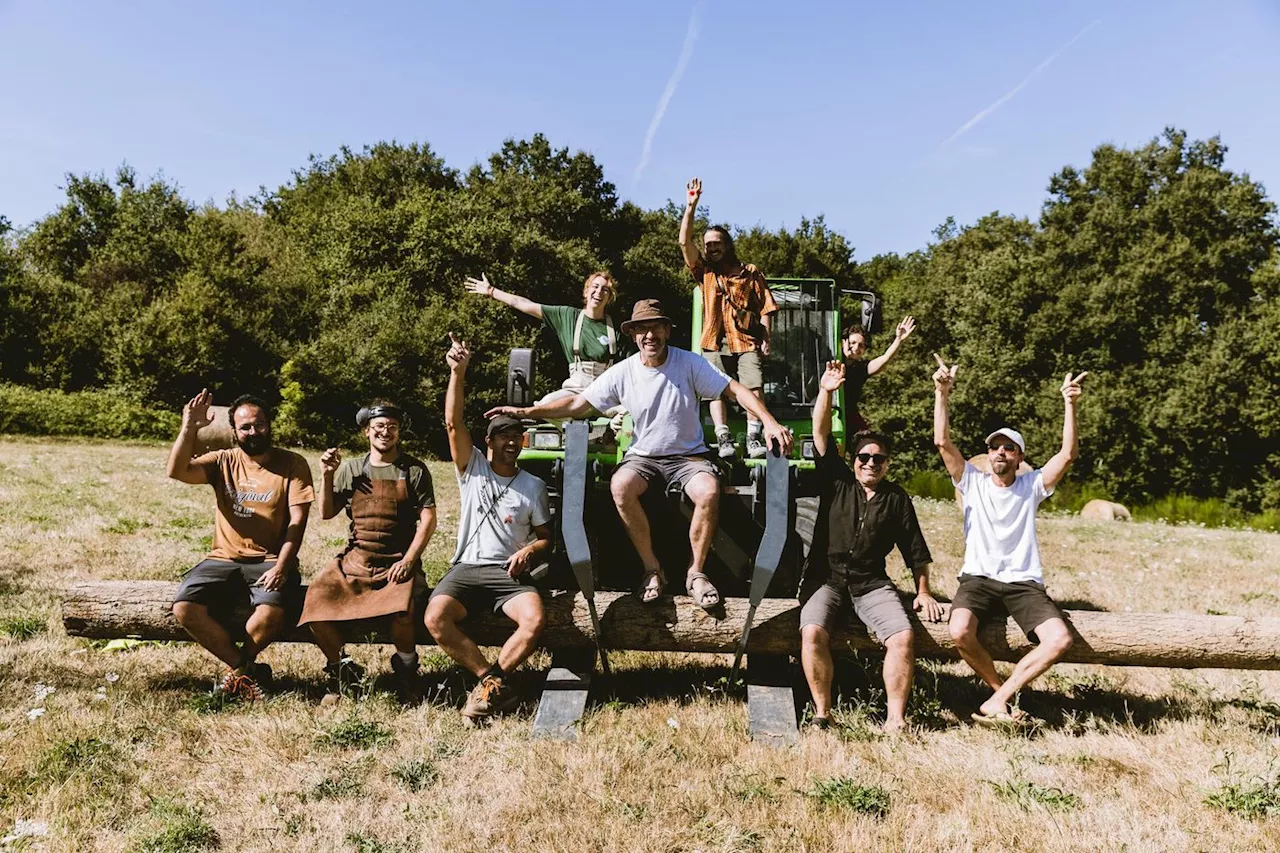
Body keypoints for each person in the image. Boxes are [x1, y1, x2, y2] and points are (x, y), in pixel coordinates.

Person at [486, 299, 793, 610]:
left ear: (667, 331)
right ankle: (651, 569)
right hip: (644, 457)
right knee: (620, 485)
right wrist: (528, 410)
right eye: (642, 329)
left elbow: (735, 389)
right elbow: (578, 405)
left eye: (656, 327)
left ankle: (696, 573)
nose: (650, 336)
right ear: (633, 335)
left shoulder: (690, 363)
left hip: (688, 457)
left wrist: (768, 422)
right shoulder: (624, 372)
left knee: (709, 489)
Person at [933, 354, 1088, 724]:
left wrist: (1069, 404)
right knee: (959, 631)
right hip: (978, 580)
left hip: (1022, 584)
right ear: (988, 454)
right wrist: (942, 393)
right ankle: (999, 693)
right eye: (995, 447)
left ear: (1019, 458)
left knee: (1060, 640)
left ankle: (998, 698)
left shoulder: (1032, 486)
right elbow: (942, 441)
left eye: (1008, 448)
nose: (1000, 452)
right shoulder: (970, 482)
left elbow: (1068, 455)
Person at [800, 361, 942, 732]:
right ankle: (822, 714)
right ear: (853, 461)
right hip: (827, 580)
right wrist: (827, 391)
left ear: (887, 464)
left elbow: (916, 550)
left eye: (878, 459)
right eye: (864, 457)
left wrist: (924, 592)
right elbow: (820, 434)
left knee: (904, 636)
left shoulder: (896, 499)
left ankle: (895, 720)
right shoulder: (838, 481)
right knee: (812, 632)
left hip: (870, 583)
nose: (870, 464)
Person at [424, 333, 552, 721]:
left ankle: (491, 684)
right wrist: (457, 372)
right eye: (503, 436)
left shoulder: (534, 485)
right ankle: (490, 679)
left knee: (535, 619)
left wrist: (529, 550)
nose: (511, 442)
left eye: (517, 436)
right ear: (489, 441)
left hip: (506, 574)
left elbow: (547, 540)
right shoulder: (472, 469)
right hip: (467, 566)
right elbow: (451, 422)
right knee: (434, 618)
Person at [167, 391, 314, 700]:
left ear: (269, 425)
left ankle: (237, 674)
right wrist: (189, 428)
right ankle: (245, 668)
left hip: (270, 558)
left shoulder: (292, 464)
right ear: (233, 431)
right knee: (184, 608)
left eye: (259, 425)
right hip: (222, 558)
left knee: (271, 615)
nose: (253, 432)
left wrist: (282, 566)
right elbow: (177, 471)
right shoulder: (223, 460)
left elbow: (297, 523)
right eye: (245, 427)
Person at [298, 402, 437, 701]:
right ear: (366, 432)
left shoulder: (414, 470)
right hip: (357, 559)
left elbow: (428, 518)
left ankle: (407, 671)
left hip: (398, 560)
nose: (385, 432)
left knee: (403, 613)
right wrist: (326, 474)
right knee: (315, 604)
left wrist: (411, 559)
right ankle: (343, 670)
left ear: (399, 432)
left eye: (392, 427)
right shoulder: (351, 469)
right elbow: (326, 512)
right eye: (379, 427)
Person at [679, 177, 779, 460]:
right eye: (707, 245)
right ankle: (723, 437)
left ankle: (753, 437)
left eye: (716, 244)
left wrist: (767, 339)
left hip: (745, 340)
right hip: (713, 341)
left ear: (727, 245)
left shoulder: (749, 272)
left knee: (754, 385)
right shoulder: (704, 273)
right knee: (714, 390)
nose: (711, 249)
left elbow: (766, 307)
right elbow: (683, 242)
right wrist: (690, 207)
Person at [464, 271, 624, 416]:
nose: (599, 292)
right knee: (543, 406)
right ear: (586, 291)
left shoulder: (616, 329)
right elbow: (523, 304)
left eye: (605, 290)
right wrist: (491, 291)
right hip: (574, 390)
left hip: (603, 393)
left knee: (627, 412)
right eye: (595, 287)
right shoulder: (567, 316)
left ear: (610, 297)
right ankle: (572, 433)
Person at [840, 316, 917, 432]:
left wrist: (899, 340)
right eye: (852, 342)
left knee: (868, 440)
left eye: (861, 345)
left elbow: (885, 359)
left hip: (848, 416)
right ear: (843, 342)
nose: (856, 348)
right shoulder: (828, 361)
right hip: (825, 411)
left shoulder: (861, 369)